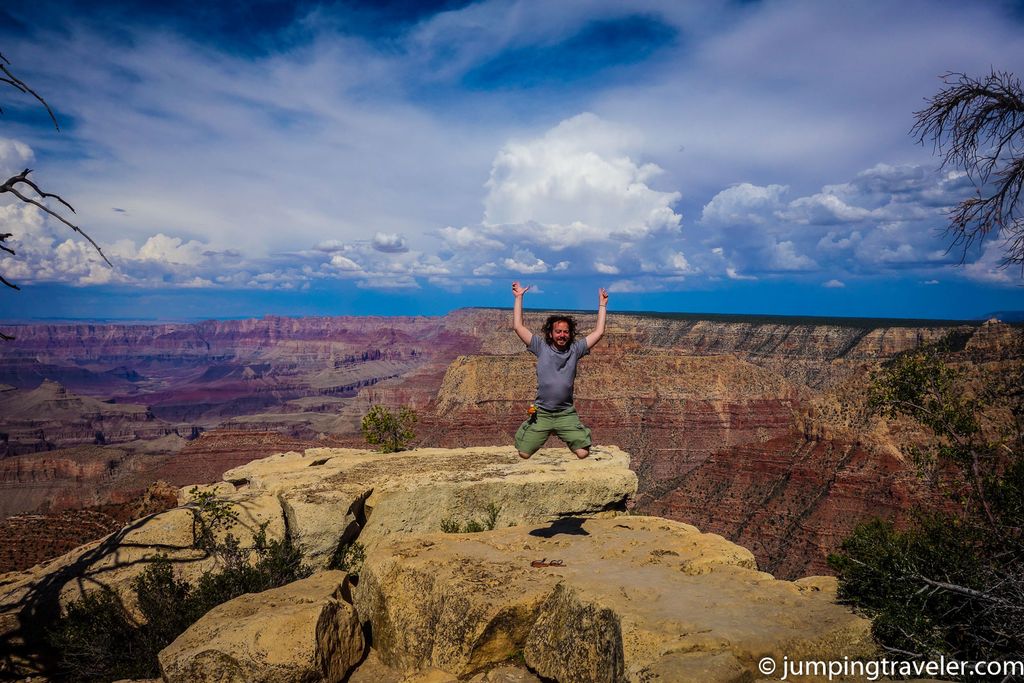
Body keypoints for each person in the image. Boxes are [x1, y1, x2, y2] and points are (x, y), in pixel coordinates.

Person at [511, 281, 608, 459]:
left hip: (565, 414)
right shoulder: (540, 347)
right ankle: (539, 429)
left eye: (565, 332)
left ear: (570, 334)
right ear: (551, 334)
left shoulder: (576, 350)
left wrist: (602, 305)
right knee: (523, 453)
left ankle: (570, 431)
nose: (562, 335)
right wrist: (519, 297)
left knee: (582, 452)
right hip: (542, 413)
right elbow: (518, 327)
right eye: (558, 331)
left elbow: (598, 332)